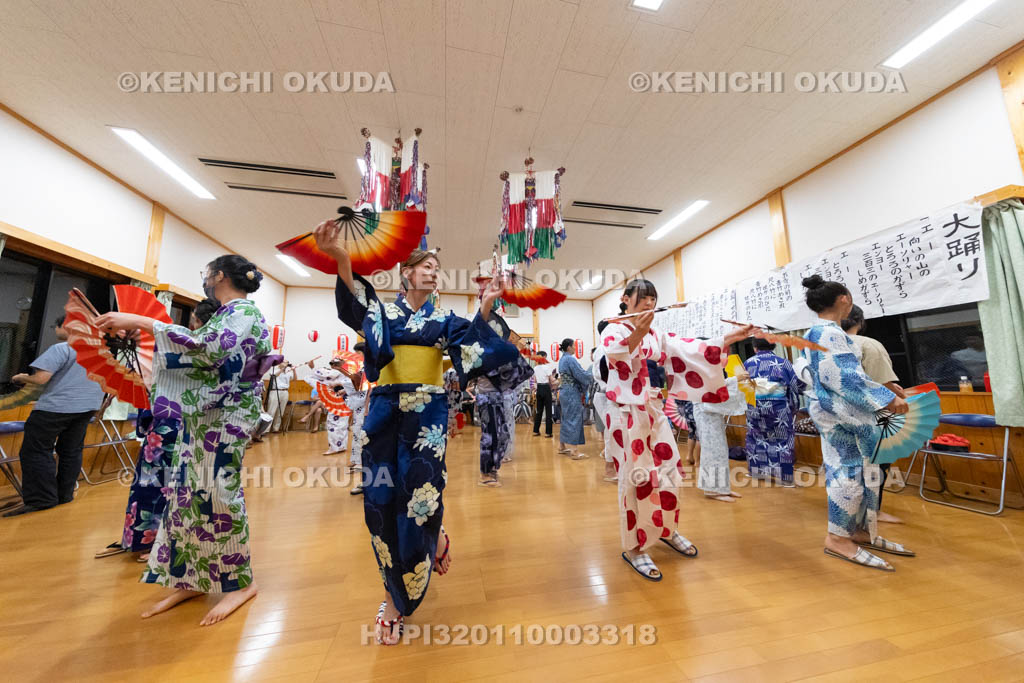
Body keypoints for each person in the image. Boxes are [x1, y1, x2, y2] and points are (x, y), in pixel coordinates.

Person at [313, 220, 531, 646]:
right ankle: (427, 551)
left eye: (437, 267)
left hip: (427, 418)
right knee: (380, 498)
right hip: (383, 412)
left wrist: (485, 308)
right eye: (425, 265)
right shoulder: (383, 314)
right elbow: (356, 307)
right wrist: (341, 258)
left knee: (421, 497)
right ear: (407, 273)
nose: (433, 271)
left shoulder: (446, 320)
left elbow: (474, 346)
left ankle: (396, 601)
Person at [94, 254, 279, 625]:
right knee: (186, 496)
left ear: (219, 275)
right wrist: (147, 334)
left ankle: (240, 582)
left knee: (218, 496)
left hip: (226, 418)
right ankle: (191, 576)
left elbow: (205, 348)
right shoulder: (229, 313)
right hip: (204, 414)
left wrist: (144, 322)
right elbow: (197, 348)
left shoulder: (244, 313)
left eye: (206, 273)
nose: (205, 280)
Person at [602, 278, 754, 580]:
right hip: (627, 412)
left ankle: (667, 529)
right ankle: (635, 547)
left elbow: (688, 350)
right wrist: (640, 333)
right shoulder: (613, 329)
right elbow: (616, 356)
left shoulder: (656, 333)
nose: (648, 303)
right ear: (625, 298)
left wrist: (726, 339)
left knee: (669, 470)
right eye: (643, 297)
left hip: (654, 410)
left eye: (653, 298)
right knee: (636, 477)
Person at [798, 275, 913, 572]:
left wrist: (884, 392)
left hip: (844, 411)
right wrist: (884, 398)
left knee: (865, 473)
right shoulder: (828, 333)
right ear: (844, 299)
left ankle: (860, 530)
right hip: (841, 414)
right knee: (847, 474)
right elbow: (845, 378)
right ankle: (837, 538)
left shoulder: (820, 332)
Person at [4, 315, 105, 517]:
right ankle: (64, 495)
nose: (54, 330)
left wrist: (20, 377)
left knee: (36, 451)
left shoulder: (61, 349)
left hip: (56, 407)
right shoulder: (99, 353)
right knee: (71, 450)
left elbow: (41, 379)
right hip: (86, 408)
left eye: (55, 326)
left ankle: (42, 500)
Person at [841, 305, 906, 523]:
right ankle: (872, 511)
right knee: (876, 460)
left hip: (837, 413)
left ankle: (846, 509)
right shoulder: (867, 344)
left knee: (846, 463)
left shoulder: (823, 346)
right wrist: (893, 391)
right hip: (868, 413)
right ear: (860, 321)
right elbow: (881, 381)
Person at [743, 337, 804, 487]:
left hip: (754, 405)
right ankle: (786, 477)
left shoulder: (747, 363)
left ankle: (756, 470)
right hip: (778, 406)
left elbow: (741, 385)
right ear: (773, 346)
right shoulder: (783, 362)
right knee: (783, 438)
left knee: (755, 436)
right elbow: (797, 385)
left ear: (755, 347)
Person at [694, 374, 748, 502]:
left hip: (711, 411)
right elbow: (708, 387)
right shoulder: (699, 366)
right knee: (712, 450)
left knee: (721, 451)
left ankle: (723, 488)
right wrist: (735, 379)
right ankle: (712, 490)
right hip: (704, 410)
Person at [306, 357, 359, 456]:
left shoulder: (336, 373)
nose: (333, 367)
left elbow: (318, 377)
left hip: (338, 401)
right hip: (345, 400)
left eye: (335, 365)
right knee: (342, 424)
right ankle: (341, 446)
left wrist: (313, 368)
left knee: (333, 424)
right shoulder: (348, 373)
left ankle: (334, 447)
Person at [557, 338, 591, 459]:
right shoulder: (570, 359)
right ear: (568, 348)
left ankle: (562, 446)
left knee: (566, 417)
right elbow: (580, 374)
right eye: (573, 346)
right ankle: (574, 451)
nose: (575, 348)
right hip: (571, 392)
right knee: (574, 417)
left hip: (564, 391)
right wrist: (591, 375)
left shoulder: (562, 359)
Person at [591, 326, 616, 482]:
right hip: (607, 393)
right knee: (612, 432)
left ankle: (612, 464)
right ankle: (609, 469)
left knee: (614, 431)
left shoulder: (608, 347)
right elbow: (602, 373)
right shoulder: (603, 349)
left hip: (611, 393)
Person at [532, 351, 556, 437]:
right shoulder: (547, 367)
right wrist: (554, 378)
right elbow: (552, 380)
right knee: (548, 411)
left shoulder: (535, 368)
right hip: (546, 388)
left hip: (539, 389)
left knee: (539, 411)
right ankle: (548, 433)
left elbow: (534, 380)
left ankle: (535, 431)